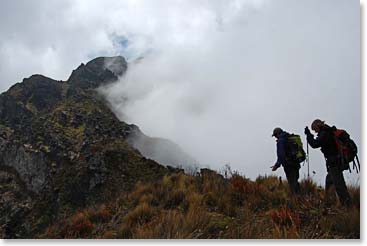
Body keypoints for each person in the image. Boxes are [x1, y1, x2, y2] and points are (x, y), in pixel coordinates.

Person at [304, 119, 351, 207]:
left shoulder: (325, 133)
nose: (315, 132)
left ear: (318, 126)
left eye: (315, 129)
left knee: (339, 185)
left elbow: (315, 144)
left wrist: (308, 135)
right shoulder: (329, 131)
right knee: (330, 181)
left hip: (334, 163)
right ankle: (329, 202)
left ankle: (347, 206)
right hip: (336, 161)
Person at [271, 127, 301, 194]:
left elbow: (281, 155)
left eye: (275, 135)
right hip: (296, 163)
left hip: (289, 165)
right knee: (295, 181)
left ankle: (295, 200)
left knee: (292, 183)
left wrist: (277, 165)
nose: (276, 137)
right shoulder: (289, 138)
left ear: (277, 134)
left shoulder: (281, 141)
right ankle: (300, 198)